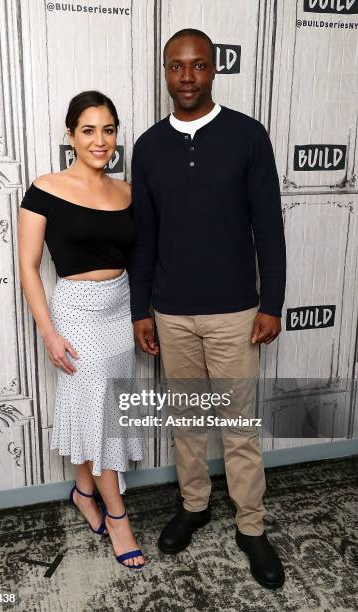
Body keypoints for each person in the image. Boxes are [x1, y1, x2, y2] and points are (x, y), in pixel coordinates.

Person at [128, 29, 286, 588]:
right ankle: (194, 506)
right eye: (177, 67)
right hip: (171, 313)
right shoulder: (148, 146)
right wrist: (140, 309)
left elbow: (267, 224)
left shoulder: (247, 136)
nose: (187, 77)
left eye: (197, 66)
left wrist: (273, 302)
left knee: (239, 427)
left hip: (236, 313)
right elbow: (144, 235)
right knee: (188, 425)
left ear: (214, 70)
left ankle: (251, 526)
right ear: (166, 73)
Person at [18, 91, 144, 569]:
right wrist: (49, 333)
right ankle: (118, 518)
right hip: (76, 312)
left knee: (96, 410)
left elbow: (141, 258)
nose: (100, 140)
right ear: (70, 135)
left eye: (108, 129)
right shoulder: (45, 188)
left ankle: (83, 493)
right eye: (88, 130)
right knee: (102, 413)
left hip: (119, 309)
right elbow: (29, 268)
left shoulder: (128, 191)